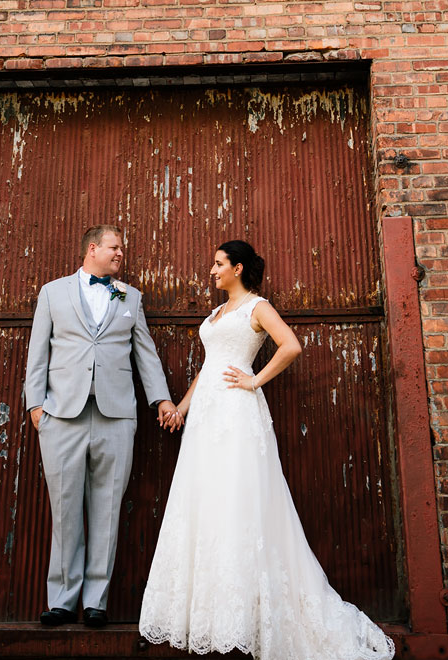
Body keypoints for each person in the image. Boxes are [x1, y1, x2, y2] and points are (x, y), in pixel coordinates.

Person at [139, 239, 394, 660]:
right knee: (206, 503)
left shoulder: (256, 307)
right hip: (205, 417)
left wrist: (254, 381)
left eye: (218, 264)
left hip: (237, 414)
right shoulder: (216, 314)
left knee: (239, 502)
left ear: (238, 268)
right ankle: (212, 614)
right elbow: (208, 366)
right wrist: (181, 408)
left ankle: (252, 616)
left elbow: (290, 345)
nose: (212, 270)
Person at [24, 223, 178, 628]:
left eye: (122, 249)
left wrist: (160, 398)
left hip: (116, 417)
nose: (120, 254)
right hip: (62, 416)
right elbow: (37, 353)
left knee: (108, 511)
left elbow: (145, 353)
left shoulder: (131, 297)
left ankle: (96, 601)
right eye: (115, 247)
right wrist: (36, 406)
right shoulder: (52, 293)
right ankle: (61, 600)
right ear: (93, 249)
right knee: (66, 511)